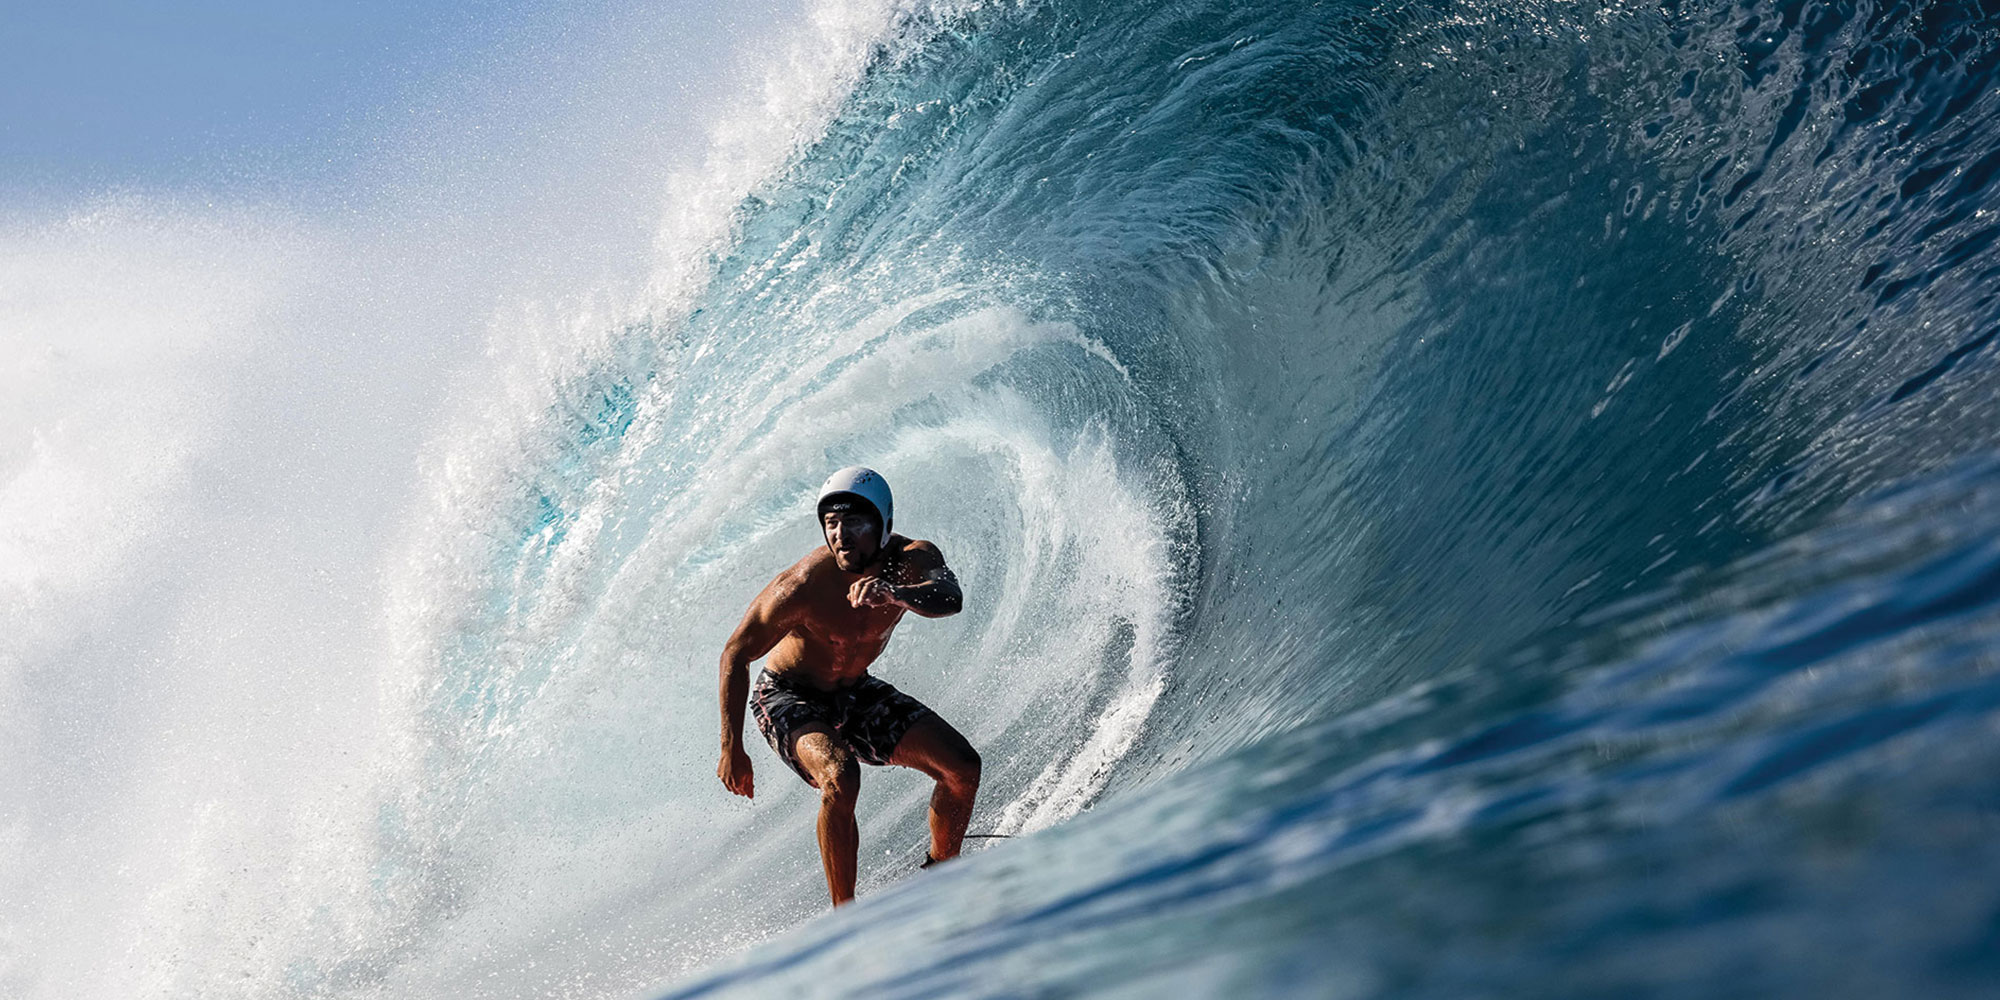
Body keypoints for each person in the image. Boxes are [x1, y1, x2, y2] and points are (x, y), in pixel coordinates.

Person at [716, 466, 982, 906]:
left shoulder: (911, 559)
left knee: (962, 767)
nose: (841, 534)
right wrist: (732, 747)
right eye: (832, 523)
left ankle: (942, 874)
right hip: (786, 695)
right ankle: (847, 918)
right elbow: (735, 654)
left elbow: (949, 597)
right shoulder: (803, 585)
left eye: (855, 523)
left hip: (853, 691)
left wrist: (896, 593)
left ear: (884, 524)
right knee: (840, 774)